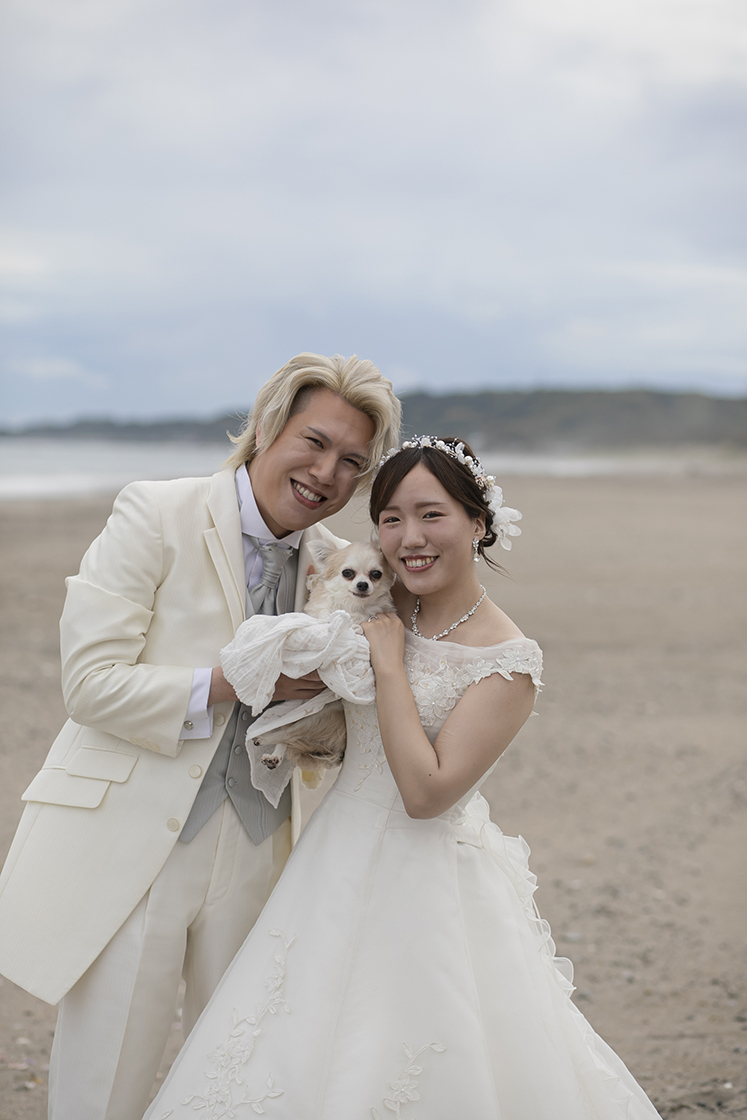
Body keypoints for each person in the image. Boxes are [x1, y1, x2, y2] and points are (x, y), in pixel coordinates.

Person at [143, 435, 662, 1119]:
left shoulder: (505, 661)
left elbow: (425, 794)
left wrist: (389, 665)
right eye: (390, 518)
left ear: (478, 524)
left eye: (431, 515)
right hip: (329, 858)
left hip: (425, 875)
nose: (409, 538)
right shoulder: (377, 603)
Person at [0, 353, 401, 1120]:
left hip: (261, 844)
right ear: (266, 426)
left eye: (352, 461)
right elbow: (89, 684)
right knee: (104, 1086)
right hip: (134, 845)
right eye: (314, 442)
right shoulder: (156, 511)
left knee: (234, 1081)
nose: (327, 473)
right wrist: (232, 681)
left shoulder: (339, 563)